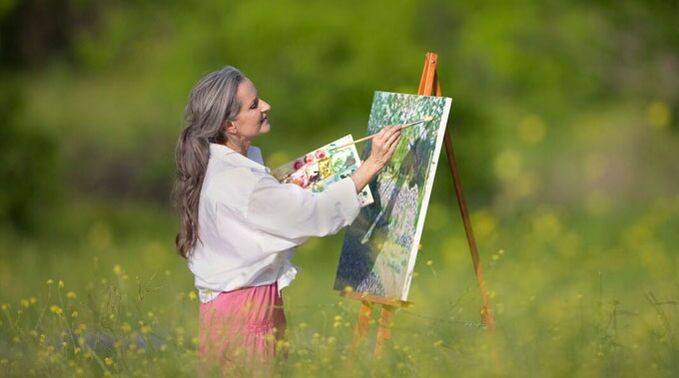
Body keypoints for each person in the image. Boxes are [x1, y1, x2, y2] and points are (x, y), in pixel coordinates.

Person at [173, 66, 401, 373]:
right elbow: (314, 215)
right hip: (246, 317)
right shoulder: (242, 181)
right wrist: (372, 165)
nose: (265, 106)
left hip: (233, 311)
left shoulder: (222, 165)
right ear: (229, 125)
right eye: (254, 105)